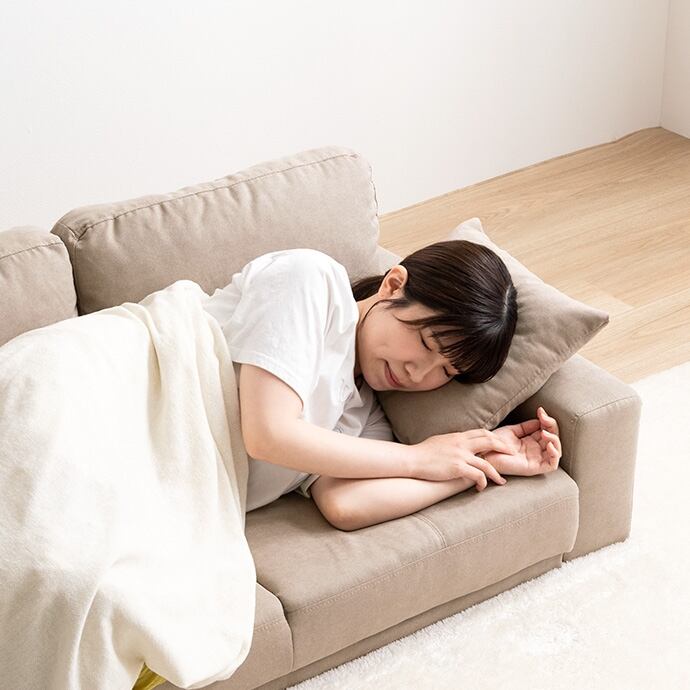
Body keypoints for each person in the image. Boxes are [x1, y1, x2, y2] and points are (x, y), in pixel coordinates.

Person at [201, 241, 562, 529]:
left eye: (447, 372)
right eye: (427, 343)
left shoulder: (364, 415)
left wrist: (477, 462)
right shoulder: (312, 281)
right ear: (393, 285)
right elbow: (267, 433)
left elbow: (345, 504)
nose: (418, 375)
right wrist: (420, 457)